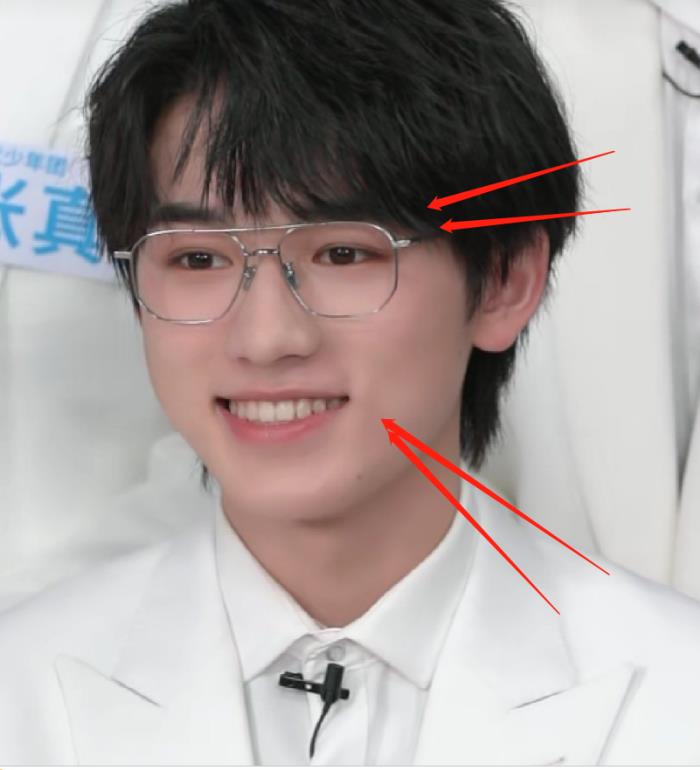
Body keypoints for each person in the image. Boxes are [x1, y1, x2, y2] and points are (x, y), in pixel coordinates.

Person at [1, 0, 699, 765]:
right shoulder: (21, 692)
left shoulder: (676, 694)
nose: (266, 339)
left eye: (343, 254)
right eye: (197, 258)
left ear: (503, 280)